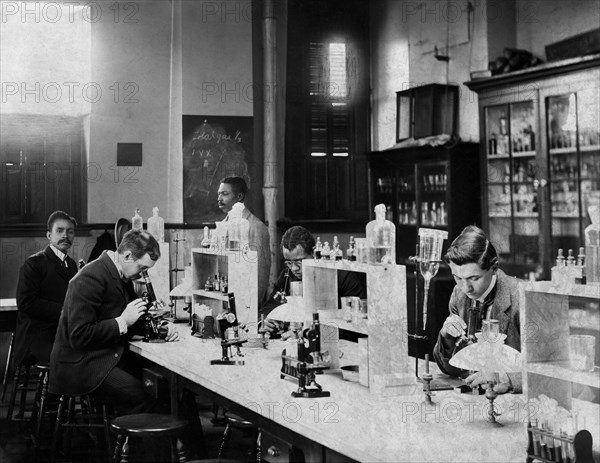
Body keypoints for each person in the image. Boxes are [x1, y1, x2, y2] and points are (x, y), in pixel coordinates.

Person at [49, 229, 178, 414]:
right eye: (142, 268)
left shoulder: (122, 276)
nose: (143, 275)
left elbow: (135, 320)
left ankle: (178, 443)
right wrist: (122, 321)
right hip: (81, 366)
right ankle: (133, 442)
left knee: (166, 389)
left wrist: (161, 328)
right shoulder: (90, 276)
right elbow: (79, 336)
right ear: (127, 256)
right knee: (146, 397)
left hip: (107, 356)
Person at [432, 225, 522, 393]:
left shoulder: (521, 297)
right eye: (458, 278)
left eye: (474, 278)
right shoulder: (458, 295)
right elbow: (451, 370)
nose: (466, 288)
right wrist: (446, 338)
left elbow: (550, 369)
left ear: (494, 268)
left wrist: (508, 379)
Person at [261, 226, 366, 335]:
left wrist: (309, 332)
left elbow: (358, 325)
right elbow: (268, 308)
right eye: (289, 262)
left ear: (314, 253)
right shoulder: (286, 276)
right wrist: (265, 322)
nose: (294, 268)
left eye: (299, 261)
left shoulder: (342, 276)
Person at [14, 211, 78, 367]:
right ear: (49, 235)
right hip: (36, 338)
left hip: (59, 334)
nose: (66, 235)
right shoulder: (34, 263)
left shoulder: (71, 264)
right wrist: (63, 311)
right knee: (76, 359)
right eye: (60, 230)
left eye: (70, 232)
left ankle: (63, 391)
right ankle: (57, 391)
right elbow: (25, 302)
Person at [217, 176, 271, 304]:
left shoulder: (256, 227)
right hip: (224, 298)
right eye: (219, 194)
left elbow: (260, 274)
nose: (219, 199)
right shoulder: (223, 225)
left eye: (224, 194)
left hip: (246, 303)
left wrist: (253, 306)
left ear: (239, 196)